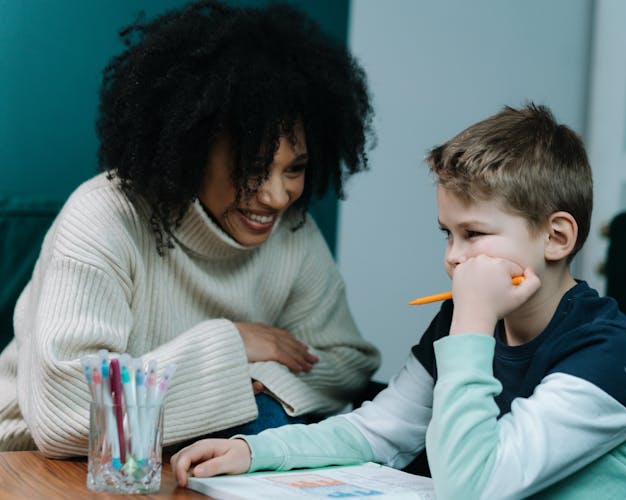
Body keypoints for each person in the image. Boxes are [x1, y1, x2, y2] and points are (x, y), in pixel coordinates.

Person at [170, 103, 626, 499]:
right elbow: (379, 431)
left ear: (557, 237)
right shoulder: (464, 321)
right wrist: (254, 451)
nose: (453, 258)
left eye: (474, 233)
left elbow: (472, 488)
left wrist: (473, 322)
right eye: (446, 234)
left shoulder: (608, 356)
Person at [0, 0, 381, 457]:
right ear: (191, 150)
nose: (277, 197)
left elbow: (346, 363)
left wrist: (259, 384)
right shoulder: (104, 217)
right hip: (32, 467)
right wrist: (232, 344)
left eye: (294, 169)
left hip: (188, 466)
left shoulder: (292, 234)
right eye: (254, 169)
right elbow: (71, 416)